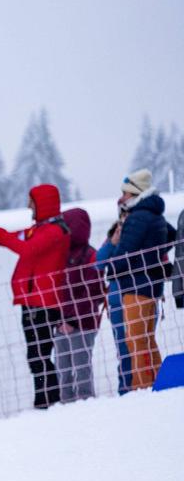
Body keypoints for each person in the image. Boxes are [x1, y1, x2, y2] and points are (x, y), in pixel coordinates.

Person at [0, 183, 70, 409]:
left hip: (42, 302)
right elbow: (16, 238)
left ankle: (48, 398)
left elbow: (25, 249)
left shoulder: (54, 231)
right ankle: (46, 398)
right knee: (36, 354)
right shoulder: (39, 229)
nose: (28, 206)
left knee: (38, 354)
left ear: (42, 204)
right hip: (33, 301)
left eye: (32, 201)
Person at [102, 170, 171, 390]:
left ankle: (142, 388)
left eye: (125, 193)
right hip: (150, 284)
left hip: (135, 285)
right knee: (146, 339)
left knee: (135, 340)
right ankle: (158, 383)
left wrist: (111, 269)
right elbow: (171, 234)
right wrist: (152, 257)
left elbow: (125, 252)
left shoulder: (138, 217)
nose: (122, 198)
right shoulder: (154, 214)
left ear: (136, 193)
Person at [56, 208, 105, 402]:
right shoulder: (61, 255)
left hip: (84, 323)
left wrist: (73, 320)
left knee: (81, 365)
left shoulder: (91, 255)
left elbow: (93, 293)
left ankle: (85, 402)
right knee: (63, 367)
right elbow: (56, 291)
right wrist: (59, 319)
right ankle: (65, 405)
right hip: (60, 323)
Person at [97, 206, 135, 393]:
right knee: (123, 347)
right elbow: (99, 262)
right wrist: (113, 242)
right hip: (116, 300)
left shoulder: (140, 236)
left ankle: (142, 382)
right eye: (122, 218)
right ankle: (125, 388)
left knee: (139, 343)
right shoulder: (114, 238)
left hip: (137, 294)